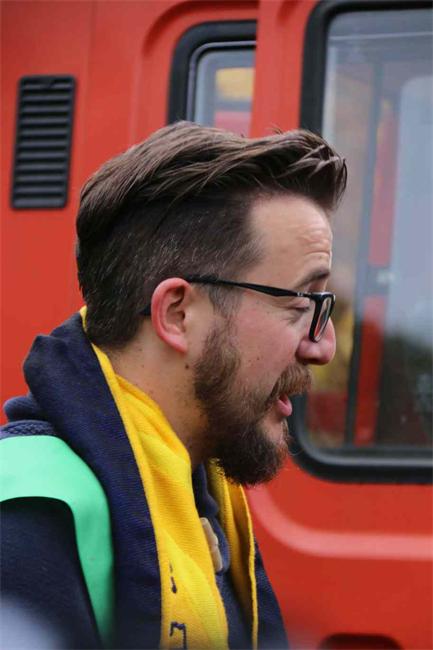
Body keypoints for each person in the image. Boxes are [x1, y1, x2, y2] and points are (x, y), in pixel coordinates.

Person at [1, 121, 346, 649]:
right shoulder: (26, 521)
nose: (325, 348)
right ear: (178, 314)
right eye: (301, 303)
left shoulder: (193, 493)